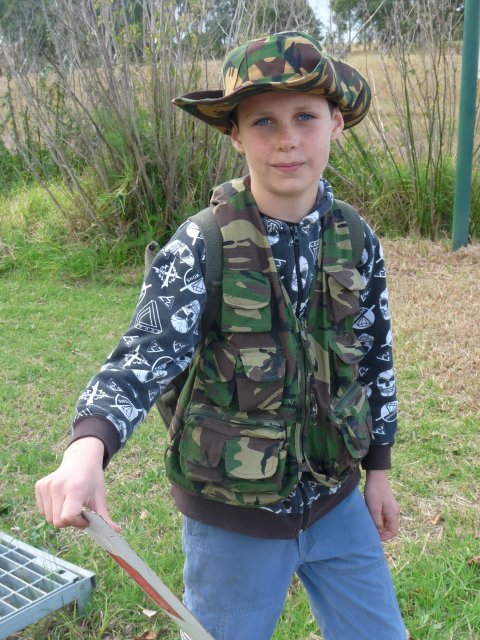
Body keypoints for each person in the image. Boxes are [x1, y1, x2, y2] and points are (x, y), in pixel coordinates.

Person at [35, 31, 406, 640]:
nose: (287, 138)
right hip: (233, 518)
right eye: (264, 121)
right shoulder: (200, 244)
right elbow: (143, 356)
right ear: (235, 134)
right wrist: (87, 449)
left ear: (336, 123)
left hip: (337, 500)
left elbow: (374, 358)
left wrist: (380, 469)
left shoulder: (358, 240)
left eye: (306, 116)